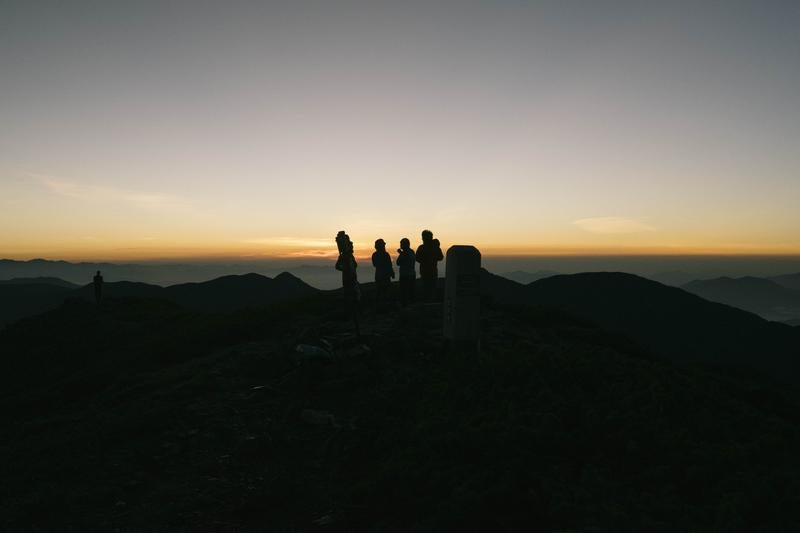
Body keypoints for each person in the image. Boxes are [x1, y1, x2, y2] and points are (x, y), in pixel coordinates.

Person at [416, 230, 443, 301]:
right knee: (432, 289)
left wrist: (424, 259)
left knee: (426, 289)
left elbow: (417, 258)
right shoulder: (435, 247)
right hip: (433, 271)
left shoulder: (421, 247)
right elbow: (440, 257)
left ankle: (427, 303)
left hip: (425, 272)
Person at [371, 238, 395, 311]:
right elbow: (389, 265)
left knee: (380, 292)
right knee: (384, 292)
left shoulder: (375, 255)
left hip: (380, 276)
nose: (384, 246)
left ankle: (379, 307)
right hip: (384, 276)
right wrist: (392, 273)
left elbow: (375, 264)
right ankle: (383, 307)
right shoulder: (385, 254)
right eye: (383, 245)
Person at [396, 238, 416, 307]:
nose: (401, 245)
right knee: (405, 292)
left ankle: (409, 306)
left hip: (408, 276)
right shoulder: (410, 252)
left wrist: (401, 253)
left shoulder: (410, 252)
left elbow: (408, 259)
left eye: (401, 244)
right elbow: (398, 263)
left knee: (408, 292)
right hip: (406, 275)